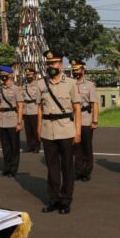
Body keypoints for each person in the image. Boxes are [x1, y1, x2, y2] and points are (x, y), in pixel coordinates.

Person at [39, 50, 82, 215]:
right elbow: (39, 108)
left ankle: (65, 201)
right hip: (48, 130)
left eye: (55, 63)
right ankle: (54, 199)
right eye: (49, 63)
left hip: (66, 129)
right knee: (52, 167)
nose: (52, 66)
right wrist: (38, 129)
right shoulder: (41, 84)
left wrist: (77, 132)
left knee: (67, 166)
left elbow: (77, 109)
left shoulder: (71, 83)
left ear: (61, 64)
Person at [70, 60, 99, 182]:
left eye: (78, 69)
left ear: (82, 70)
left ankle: (87, 172)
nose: (76, 72)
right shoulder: (70, 84)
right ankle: (78, 170)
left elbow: (94, 104)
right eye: (74, 70)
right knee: (76, 147)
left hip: (86, 118)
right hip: (73, 119)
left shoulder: (90, 85)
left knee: (86, 147)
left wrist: (95, 120)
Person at [0, 66, 23, 177]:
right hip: (2, 120)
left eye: (4, 73)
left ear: (10, 75)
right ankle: (6, 168)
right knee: (5, 147)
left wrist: (19, 122)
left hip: (12, 120)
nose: (2, 75)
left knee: (14, 147)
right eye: (1, 73)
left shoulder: (16, 89)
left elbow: (20, 106)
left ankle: (13, 169)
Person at [21, 67, 43, 153]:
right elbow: (22, 99)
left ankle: (37, 146)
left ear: (34, 75)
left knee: (35, 129)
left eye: (30, 74)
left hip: (34, 109)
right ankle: (29, 145)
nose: (28, 76)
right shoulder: (24, 86)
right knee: (28, 130)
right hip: (26, 110)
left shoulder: (38, 85)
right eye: (27, 75)